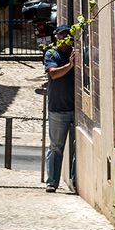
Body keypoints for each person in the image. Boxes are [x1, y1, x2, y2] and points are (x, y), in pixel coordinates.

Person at [43, 25, 77, 193]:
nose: (64, 39)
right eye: (60, 36)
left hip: (76, 109)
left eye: (67, 36)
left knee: (76, 148)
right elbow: (54, 74)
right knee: (56, 147)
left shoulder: (77, 52)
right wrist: (70, 65)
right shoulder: (51, 54)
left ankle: (74, 181)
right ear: (56, 38)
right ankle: (52, 182)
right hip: (58, 109)